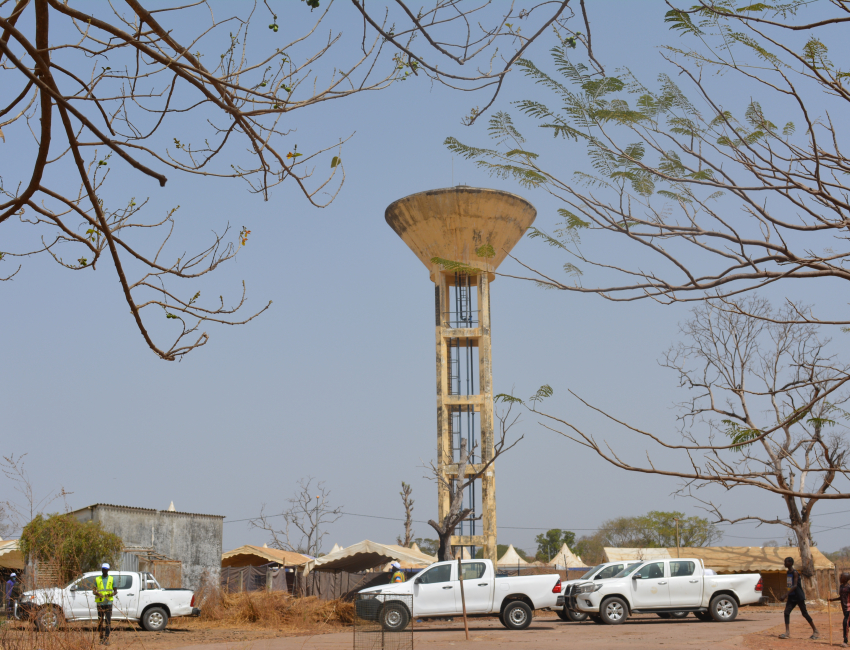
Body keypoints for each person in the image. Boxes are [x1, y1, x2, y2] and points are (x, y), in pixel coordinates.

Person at [779, 557, 819, 640]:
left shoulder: (795, 573)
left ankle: (815, 630)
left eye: (786, 562)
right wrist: (788, 594)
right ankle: (787, 632)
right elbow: (790, 585)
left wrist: (785, 595)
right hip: (792, 596)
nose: (784, 563)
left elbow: (795, 585)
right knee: (786, 612)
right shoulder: (788, 572)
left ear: (790, 563)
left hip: (798, 596)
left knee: (804, 613)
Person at [93, 563, 115, 645]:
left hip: (108, 603)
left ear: (108, 570)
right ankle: (101, 639)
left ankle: (107, 639)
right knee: (100, 622)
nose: (104, 570)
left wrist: (110, 594)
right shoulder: (97, 579)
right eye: (103, 569)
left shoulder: (112, 579)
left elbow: (115, 591)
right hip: (100, 603)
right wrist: (97, 593)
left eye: (105, 569)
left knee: (108, 621)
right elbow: (93, 591)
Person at [829, 571, 850, 648]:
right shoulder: (841, 587)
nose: (840, 578)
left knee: (845, 623)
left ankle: (845, 641)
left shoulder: (849, 587)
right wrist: (832, 599)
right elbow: (841, 597)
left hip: (849, 609)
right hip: (844, 609)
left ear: (846, 579)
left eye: (842, 577)